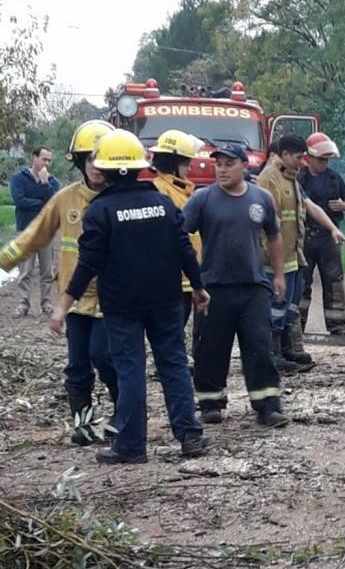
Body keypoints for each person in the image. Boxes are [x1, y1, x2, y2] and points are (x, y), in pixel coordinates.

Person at [50, 129, 210, 465]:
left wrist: (63, 306)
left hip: (122, 307)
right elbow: (184, 249)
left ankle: (131, 446)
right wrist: (198, 288)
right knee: (174, 364)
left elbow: (87, 265)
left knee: (131, 371)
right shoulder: (162, 204)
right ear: (140, 167)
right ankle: (190, 435)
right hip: (166, 301)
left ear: (105, 170)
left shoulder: (100, 211)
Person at [1, 121, 118, 445]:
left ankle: (124, 413)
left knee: (106, 358)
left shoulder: (124, 199)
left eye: (101, 158)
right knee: (78, 366)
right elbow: (33, 235)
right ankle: (83, 424)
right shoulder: (65, 199)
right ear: (79, 162)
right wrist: (3, 261)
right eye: (88, 158)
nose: (95, 166)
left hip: (114, 299)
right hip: (75, 298)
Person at [182, 142, 288, 428]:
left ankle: (267, 405)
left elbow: (275, 236)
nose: (222, 169)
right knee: (210, 348)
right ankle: (210, 403)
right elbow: (180, 236)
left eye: (229, 164)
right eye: (218, 164)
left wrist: (278, 275)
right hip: (213, 288)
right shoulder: (202, 199)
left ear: (245, 166)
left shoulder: (261, 198)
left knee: (260, 345)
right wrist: (191, 278)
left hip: (254, 286)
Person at [257, 133, 345, 369]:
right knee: (275, 308)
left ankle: (287, 350)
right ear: (285, 155)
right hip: (277, 259)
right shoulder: (270, 179)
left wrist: (332, 229)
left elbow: (311, 206)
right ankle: (273, 354)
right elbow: (269, 225)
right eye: (299, 157)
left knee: (290, 305)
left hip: (293, 257)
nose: (302, 162)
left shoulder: (291, 178)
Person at [297, 132, 345, 338]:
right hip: (306, 237)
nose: (324, 163)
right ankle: (297, 326)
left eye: (326, 160)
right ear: (309, 158)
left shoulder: (334, 178)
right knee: (302, 282)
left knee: (334, 281)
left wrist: (343, 205)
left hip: (330, 238)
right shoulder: (299, 178)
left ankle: (337, 326)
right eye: (321, 159)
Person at [150, 129, 202, 325]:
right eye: (186, 163)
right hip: (172, 279)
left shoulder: (181, 190)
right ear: (173, 165)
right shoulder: (162, 191)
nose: (189, 168)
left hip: (185, 277)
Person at [9, 147, 61, 316]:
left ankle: (46, 303)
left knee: (47, 271)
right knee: (25, 270)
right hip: (26, 230)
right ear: (34, 157)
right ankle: (23, 304)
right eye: (44, 159)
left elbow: (54, 202)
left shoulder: (53, 181)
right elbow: (20, 201)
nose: (46, 163)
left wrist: (45, 184)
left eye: (49, 160)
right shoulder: (19, 178)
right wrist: (42, 204)